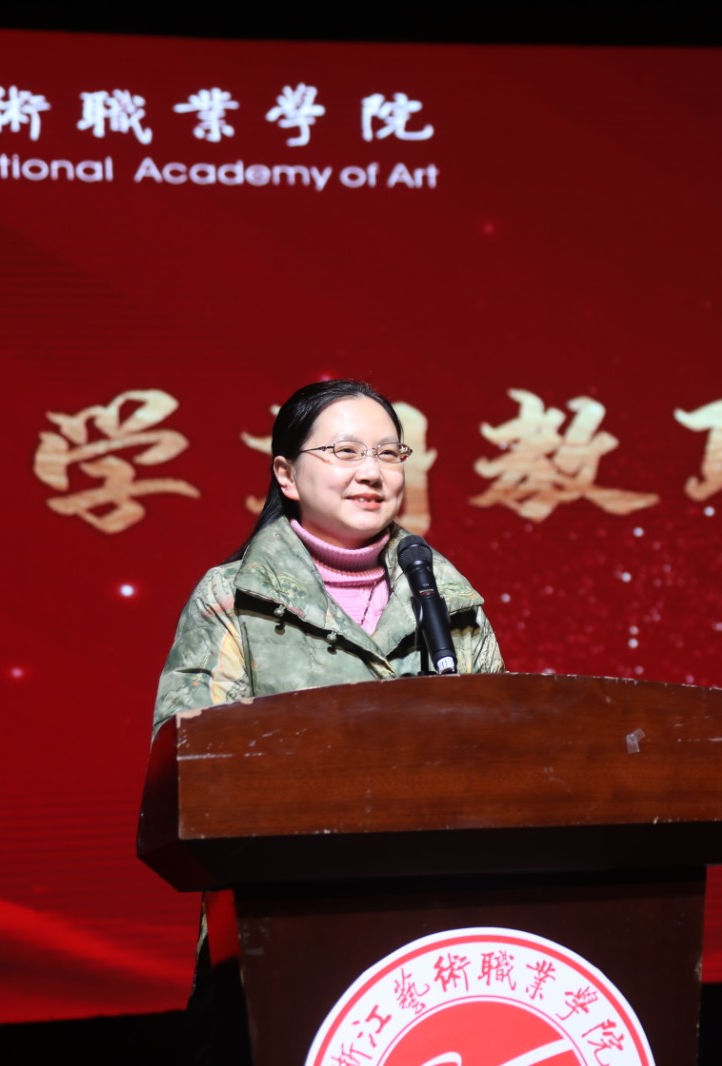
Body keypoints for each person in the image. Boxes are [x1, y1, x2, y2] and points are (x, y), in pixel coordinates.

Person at [152, 379, 505, 1063]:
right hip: (282, 932)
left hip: (442, 931)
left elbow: (505, 758)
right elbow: (192, 771)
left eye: (388, 453)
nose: (372, 473)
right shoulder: (232, 599)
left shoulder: (447, 598)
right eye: (345, 452)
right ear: (286, 474)